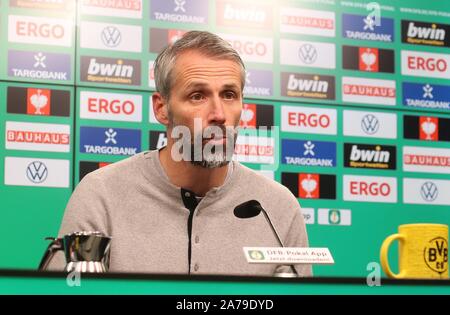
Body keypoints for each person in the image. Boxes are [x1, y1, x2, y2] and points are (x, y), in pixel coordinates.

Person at [46, 31, 312, 277]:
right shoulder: (101, 194)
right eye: (197, 96)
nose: (219, 114)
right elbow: (68, 291)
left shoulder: (277, 207)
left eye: (229, 94)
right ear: (161, 108)